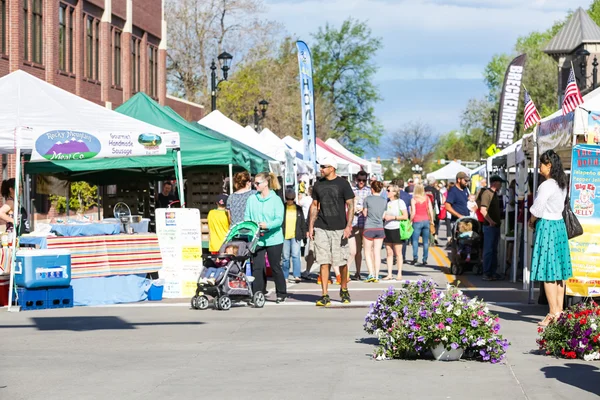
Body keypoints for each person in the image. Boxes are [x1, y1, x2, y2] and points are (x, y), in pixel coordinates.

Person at [528, 150, 572, 327]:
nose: (539, 167)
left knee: (547, 272)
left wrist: (531, 221)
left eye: (541, 164)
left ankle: (553, 312)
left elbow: (537, 210)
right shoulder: (561, 184)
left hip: (547, 226)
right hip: (559, 226)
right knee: (559, 273)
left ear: (549, 165)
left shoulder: (546, 185)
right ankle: (559, 311)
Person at [308, 156, 355, 306]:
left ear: (332, 168)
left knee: (341, 261)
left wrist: (348, 226)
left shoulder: (343, 184)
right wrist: (310, 226)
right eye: (320, 166)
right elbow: (315, 205)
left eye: (323, 166)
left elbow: (351, 205)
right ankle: (325, 294)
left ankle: (344, 289)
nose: (321, 169)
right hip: (321, 226)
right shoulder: (317, 184)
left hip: (340, 228)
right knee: (324, 261)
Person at [244, 172, 286, 303]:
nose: (254, 185)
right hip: (257, 238)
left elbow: (279, 219)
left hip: (274, 238)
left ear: (266, 183)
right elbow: (247, 217)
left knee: (275, 266)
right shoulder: (252, 199)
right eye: (254, 183)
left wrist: (267, 225)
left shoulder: (276, 199)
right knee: (257, 267)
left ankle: (281, 293)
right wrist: (253, 226)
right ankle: (258, 293)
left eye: (257, 183)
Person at [477, 175, 504, 281]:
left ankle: (492, 272)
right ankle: (487, 272)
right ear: (494, 183)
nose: (501, 185)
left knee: (494, 250)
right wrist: (491, 221)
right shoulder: (487, 194)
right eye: (500, 182)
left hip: (495, 226)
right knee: (488, 250)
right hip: (489, 227)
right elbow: (483, 210)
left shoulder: (495, 194)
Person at [362, 181, 387, 282]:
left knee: (367, 252)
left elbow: (364, 213)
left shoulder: (367, 199)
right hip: (380, 228)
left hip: (369, 227)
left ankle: (371, 273)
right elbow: (383, 216)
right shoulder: (384, 200)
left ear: (372, 189)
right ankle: (377, 275)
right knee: (377, 252)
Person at [382, 184, 408, 280]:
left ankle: (399, 273)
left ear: (395, 192)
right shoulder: (387, 203)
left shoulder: (400, 202)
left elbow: (405, 216)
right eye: (387, 190)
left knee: (398, 252)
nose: (387, 192)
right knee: (389, 252)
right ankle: (389, 274)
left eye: (389, 190)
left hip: (396, 228)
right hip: (387, 228)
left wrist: (393, 217)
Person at [282, 189, 307, 284]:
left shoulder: (298, 209)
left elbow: (302, 223)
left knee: (296, 255)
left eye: (291, 199)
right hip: (284, 236)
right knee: (285, 257)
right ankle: (285, 275)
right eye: (288, 199)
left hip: (296, 235)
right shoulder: (283, 208)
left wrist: (304, 234)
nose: (290, 201)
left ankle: (297, 275)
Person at [350, 170, 371, 281]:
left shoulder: (369, 191)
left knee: (368, 250)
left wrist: (363, 209)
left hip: (366, 222)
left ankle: (371, 272)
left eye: (364, 180)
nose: (361, 182)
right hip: (355, 222)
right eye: (359, 180)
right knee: (357, 250)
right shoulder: (352, 190)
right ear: (356, 180)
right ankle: (357, 272)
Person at [410, 184, 435, 266]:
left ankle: (415, 258)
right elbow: (431, 210)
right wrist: (431, 220)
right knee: (425, 241)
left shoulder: (413, 199)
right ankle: (425, 259)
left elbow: (413, 212)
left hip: (417, 221)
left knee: (415, 240)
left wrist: (410, 221)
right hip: (426, 220)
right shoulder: (427, 198)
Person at [445, 172, 471, 246]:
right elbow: (447, 206)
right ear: (459, 180)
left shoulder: (465, 189)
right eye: (465, 180)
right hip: (458, 221)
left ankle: (466, 257)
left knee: (467, 243)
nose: (466, 182)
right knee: (457, 244)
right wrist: (458, 215)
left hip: (467, 220)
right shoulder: (453, 191)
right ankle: (455, 256)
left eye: (467, 181)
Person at [425, 177, 441, 245]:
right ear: (434, 183)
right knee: (432, 223)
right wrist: (439, 210)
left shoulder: (424, 189)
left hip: (424, 208)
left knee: (425, 224)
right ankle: (431, 241)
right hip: (432, 208)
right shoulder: (435, 190)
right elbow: (438, 201)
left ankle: (425, 240)